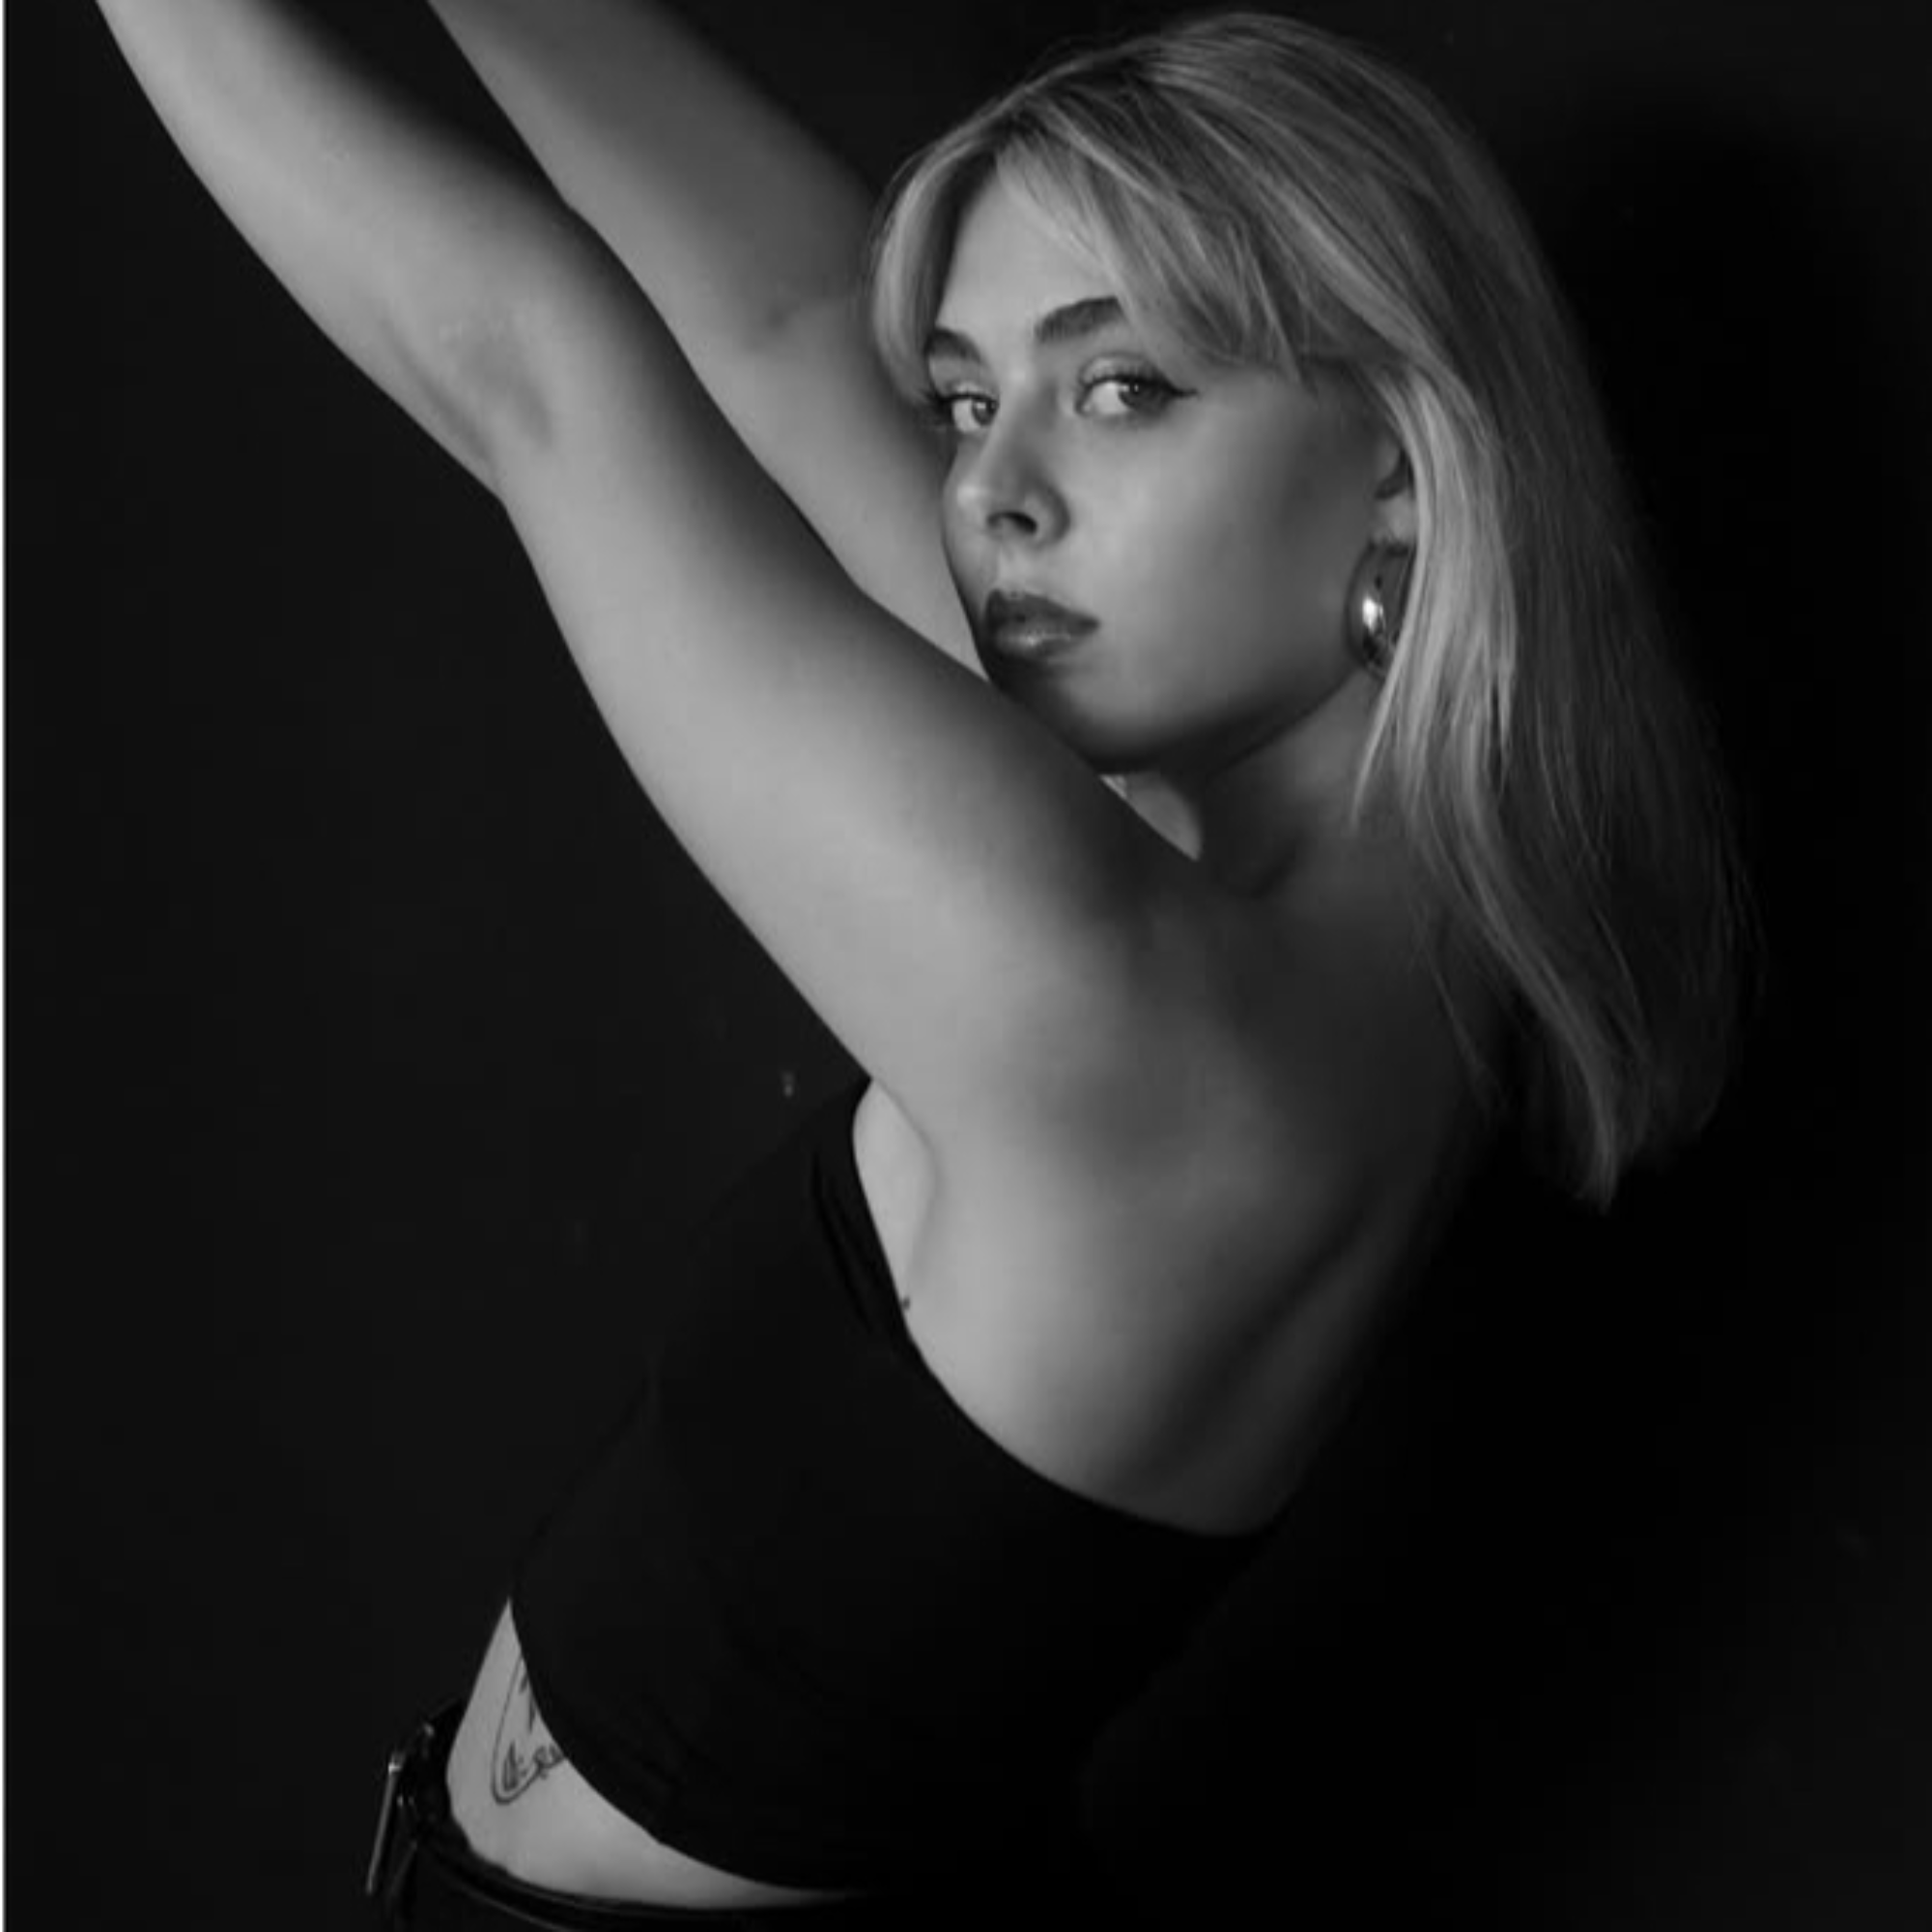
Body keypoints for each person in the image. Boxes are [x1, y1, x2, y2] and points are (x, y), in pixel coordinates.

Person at [96, 3, 1753, 1924]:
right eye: (969, 403)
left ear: (1398, 454)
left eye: (1119, 386)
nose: (989, 495)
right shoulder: (1359, 905)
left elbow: (531, 364)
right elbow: (796, 319)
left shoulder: (1126, 996)